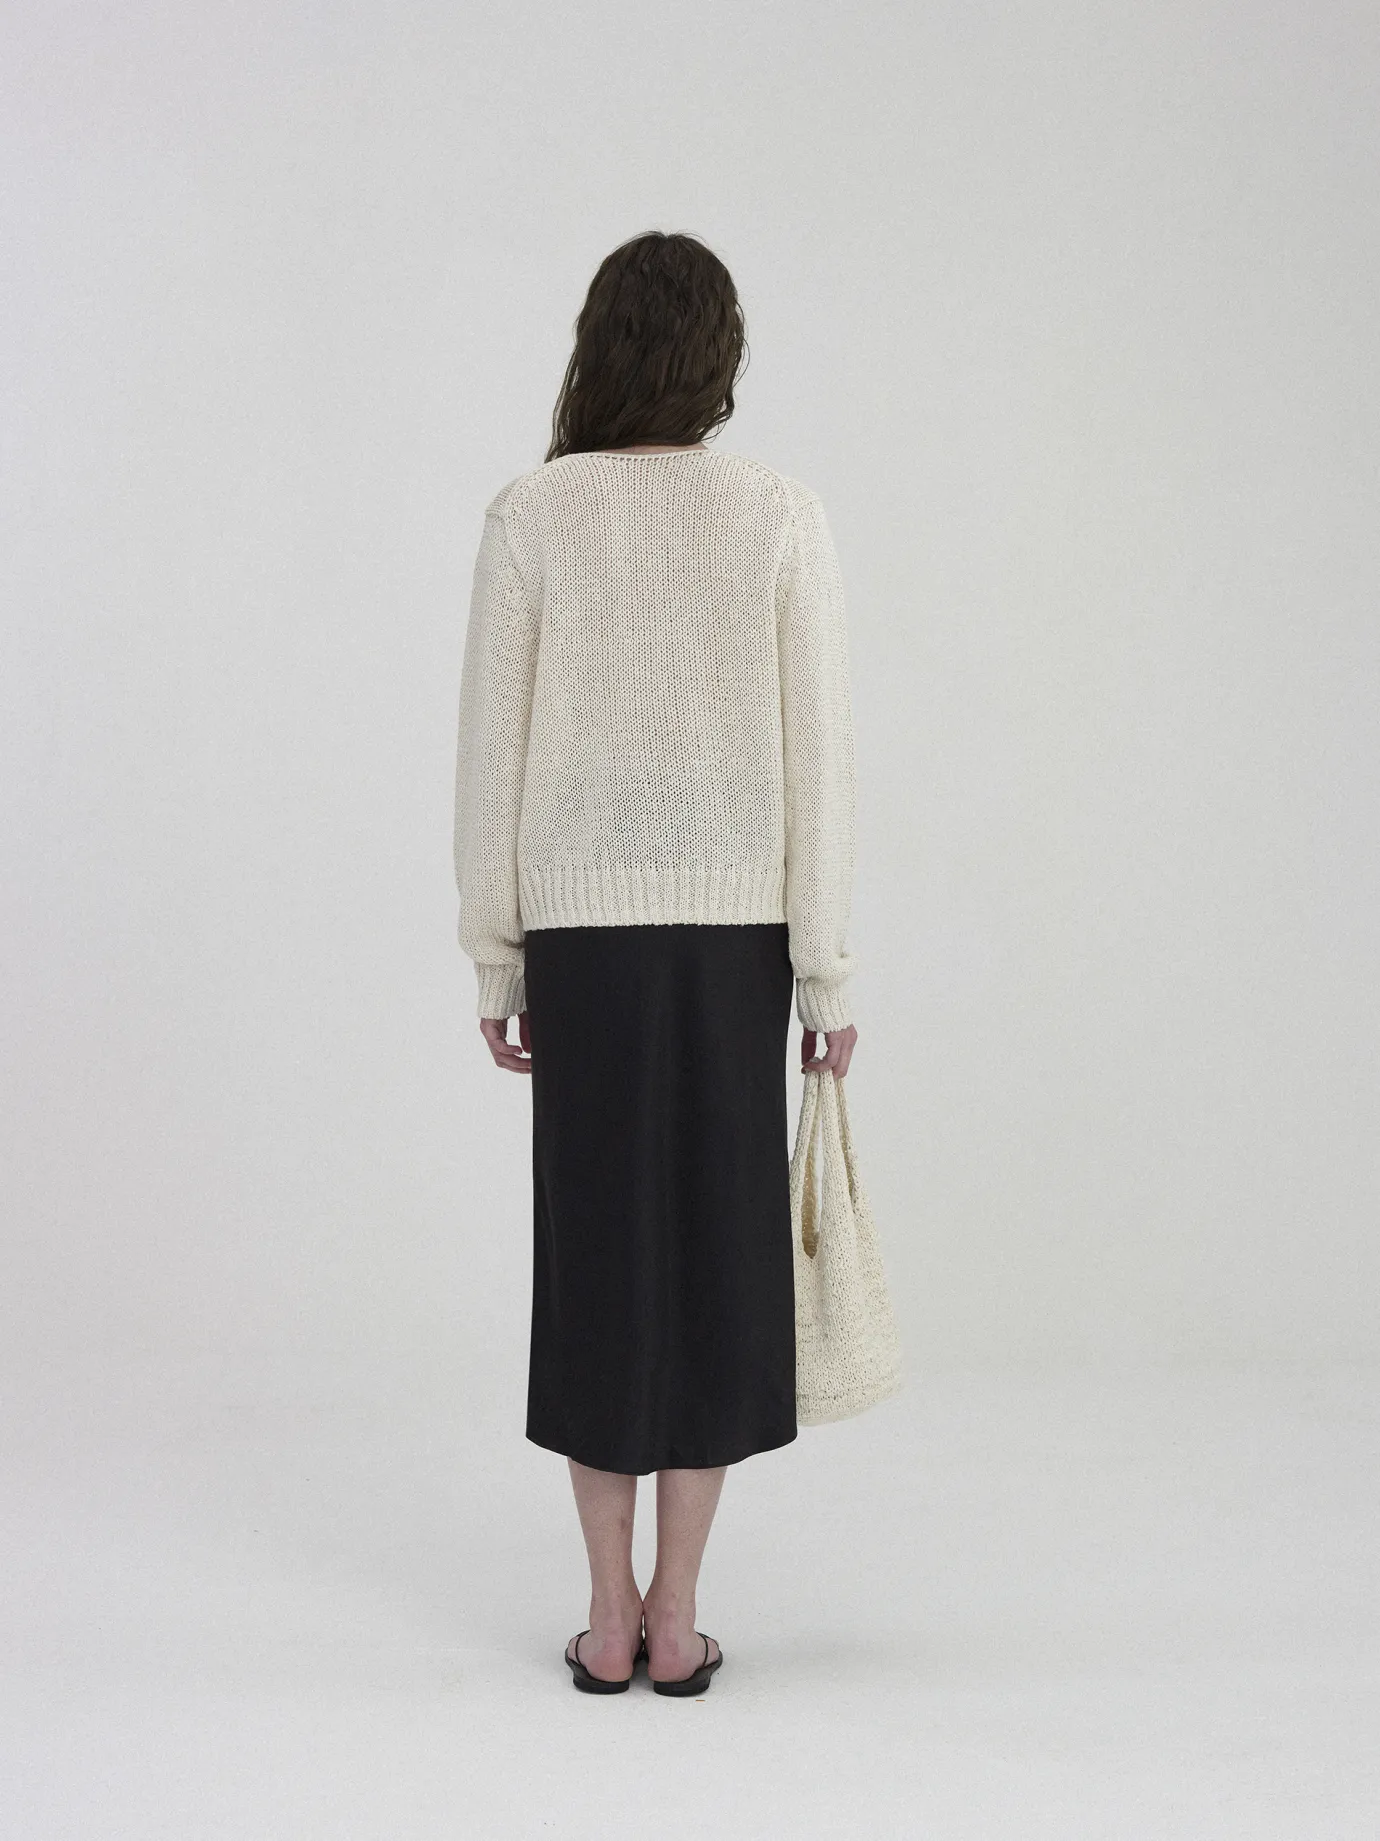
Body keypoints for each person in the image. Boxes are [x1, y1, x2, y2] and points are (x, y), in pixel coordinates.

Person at [452, 229, 858, 1696]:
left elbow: (490, 753)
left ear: (598, 346)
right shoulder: (780, 514)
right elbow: (819, 757)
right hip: (737, 936)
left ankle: (607, 1612)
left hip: (583, 940)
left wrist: (498, 958)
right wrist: (828, 972)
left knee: (597, 1257)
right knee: (720, 1259)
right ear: (721, 358)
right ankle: (680, 1617)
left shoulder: (532, 514)